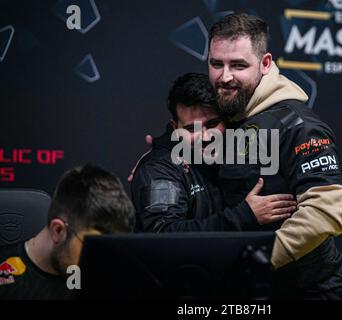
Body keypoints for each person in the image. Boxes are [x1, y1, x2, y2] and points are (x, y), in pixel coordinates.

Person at [207, 13, 342, 299]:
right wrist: (161, 158)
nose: (225, 76)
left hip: (308, 292)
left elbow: (326, 213)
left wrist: (256, 260)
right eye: (216, 64)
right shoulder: (229, 114)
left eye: (238, 65)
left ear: (265, 63)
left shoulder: (299, 125)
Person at [131, 72, 297, 232]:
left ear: (226, 119)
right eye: (191, 128)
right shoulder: (159, 168)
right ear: (175, 128)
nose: (205, 136)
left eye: (212, 124)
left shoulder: (240, 146)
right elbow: (165, 235)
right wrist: (243, 215)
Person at [0, 164, 136, 300]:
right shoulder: (6, 280)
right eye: (93, 247)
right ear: (58, 230)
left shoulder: (92, 278)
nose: (102, 262)